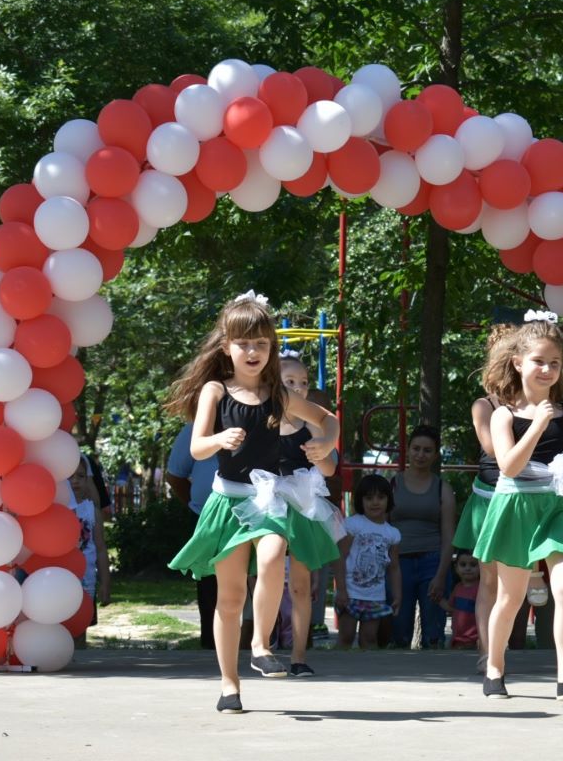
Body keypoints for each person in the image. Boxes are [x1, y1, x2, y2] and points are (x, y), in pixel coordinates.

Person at [166, 291, 340, 714]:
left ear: (271, 350)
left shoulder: (278, 394)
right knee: (229, 599)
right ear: (226, 347)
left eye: (261, 344)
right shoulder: (214, 390)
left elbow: (326, 418)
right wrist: (218, 439)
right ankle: (229, 685)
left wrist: (325, 442)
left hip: (267, 498)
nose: (252, 351)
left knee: (274, 552)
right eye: (244, 343)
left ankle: (261, 644)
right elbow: (198, 448)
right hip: (227, 503)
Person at [474, 312, 563, 702]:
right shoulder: (503, 414)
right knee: (510, 597)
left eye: (555, 363)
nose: (547, 370)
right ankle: (494, 669)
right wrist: (538, 426)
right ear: (518, 363)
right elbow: (508, 465)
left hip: (558, 505)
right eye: (538, 361)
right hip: (516, 506)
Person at [277, 353, 342, 675]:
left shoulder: (314, 424)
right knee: (264, 577)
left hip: (303, 505)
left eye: (303, 383)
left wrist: (321, 450)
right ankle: (260, 645)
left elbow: (330, 469)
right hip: (267, 503)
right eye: (290, 382)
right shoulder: (262, 420)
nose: (298, 388)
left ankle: (298, 656)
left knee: (301, 584)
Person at [456, 324, 516, 670]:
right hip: (490, 496)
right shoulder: (484, 405)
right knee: (489, 579)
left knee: (516, 579)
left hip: (523, 496)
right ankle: (487, 651)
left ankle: (502, 647)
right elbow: (491, 447)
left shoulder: (536, 402)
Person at [388, 424, 455, 649]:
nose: (420, 455)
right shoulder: (393, 484)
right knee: (398, 630)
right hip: (398, 564)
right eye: (416, 448)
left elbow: (448, 537)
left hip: (432, 562)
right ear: (408, 450)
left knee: (433, 634)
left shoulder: (442, 488)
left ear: (436, 455)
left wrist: (441, 575)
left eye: (427, 450)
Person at [165, 423, 221, 649]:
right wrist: (195, 505)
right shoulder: (194, 429)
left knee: (253, 579)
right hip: (204, 517)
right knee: (209, 582)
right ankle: (211, 643)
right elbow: (175, 476)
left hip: (250, 516)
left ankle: (261, 643)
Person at [336, 474, 401, 649]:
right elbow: (340, 557)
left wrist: (397, 595)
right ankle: (340, 673)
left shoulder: (392, 534)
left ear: (389, 499)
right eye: (369, 498)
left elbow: (394, 568)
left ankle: (367, 674)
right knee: (346, 637)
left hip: (376, 596)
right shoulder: (352, 524)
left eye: (381, 497)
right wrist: (341, 589)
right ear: (360, 500)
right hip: (350, 593)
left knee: (370, 638)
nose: (375, 502)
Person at [68, 455, 112, 643]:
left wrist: (105, 584)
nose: (75, 481)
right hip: (62, 578)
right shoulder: (56, 509)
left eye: (81, 476)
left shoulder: (91, 510)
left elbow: (101, 548)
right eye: (70, 476)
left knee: (80, 627)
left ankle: (81, 660)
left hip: (86, 579)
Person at [446, 550, 481, 649]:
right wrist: (438, 600)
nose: (468, 568)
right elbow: (450, 607)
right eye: (463, 565)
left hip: (476, 641)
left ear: (480, 567)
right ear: (456, 568)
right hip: (457, 640)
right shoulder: (457, 588)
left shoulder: (481, 589)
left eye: (473, 565)